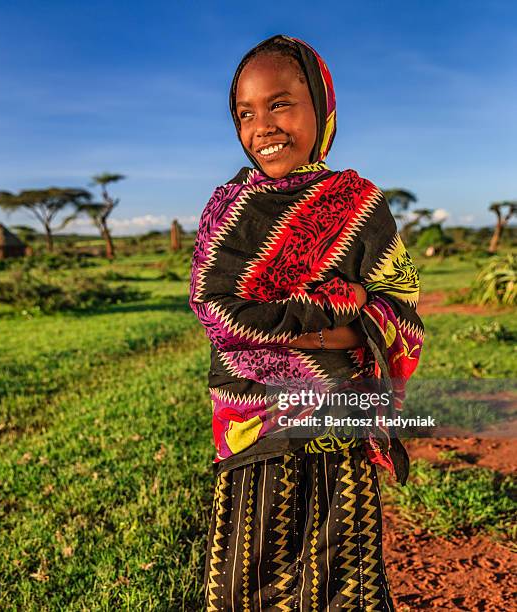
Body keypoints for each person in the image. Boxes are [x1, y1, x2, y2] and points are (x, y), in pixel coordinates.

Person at [189, 34, 424, 611]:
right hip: (253, 429)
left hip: (343, 423)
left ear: (322, 108)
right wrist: (333, 316)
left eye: (280, 103)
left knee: (344, 577)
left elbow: (399, 300)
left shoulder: (360, 203)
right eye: (245, 113)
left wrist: (322, 324)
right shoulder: (228, 208)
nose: (262, 126)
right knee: (248, 573)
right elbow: (216, 308)